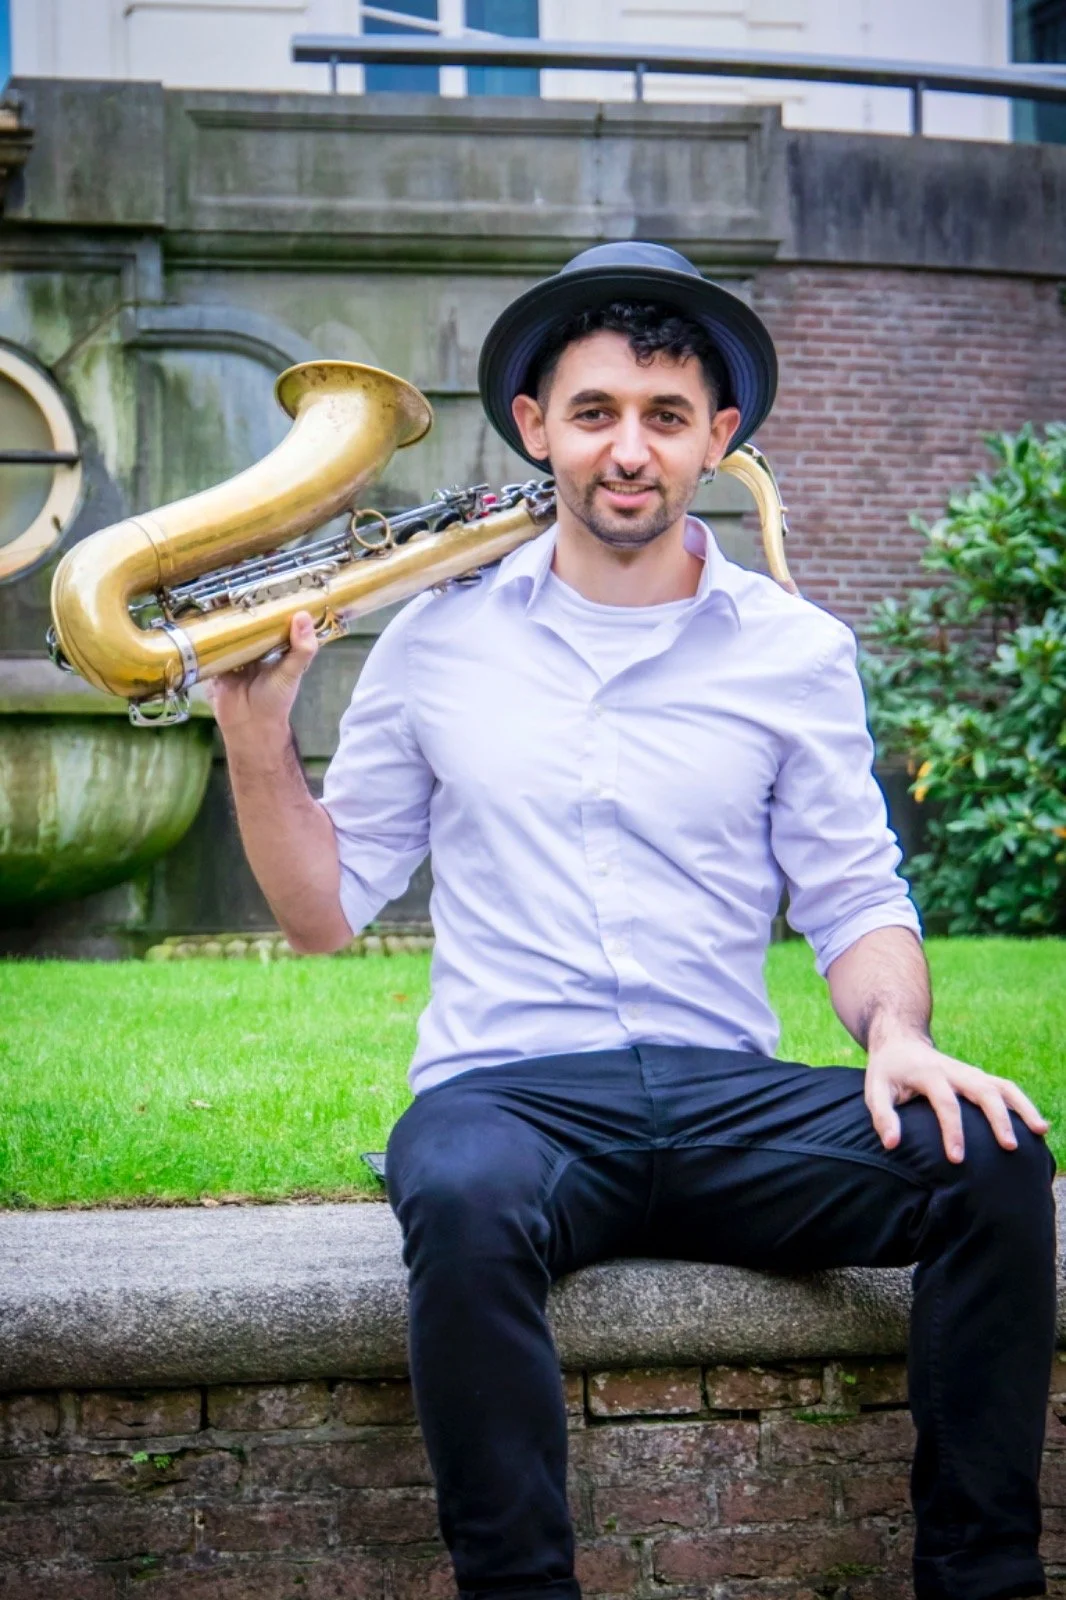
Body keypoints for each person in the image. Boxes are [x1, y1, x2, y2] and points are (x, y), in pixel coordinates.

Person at [208, 242, 1056, 1600]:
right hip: (514, 1100)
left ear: (717, 440)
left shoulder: (794, 649)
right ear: (535, 426)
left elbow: (851, 895)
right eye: (593, 411)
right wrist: (257, 738)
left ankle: (983, 1577)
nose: (626, 450)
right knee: (464, 1185)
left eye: (664, 418)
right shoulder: (432, 638)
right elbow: (324, 909)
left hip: (725, 1098)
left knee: (994, 1152)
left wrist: (894, 1033)